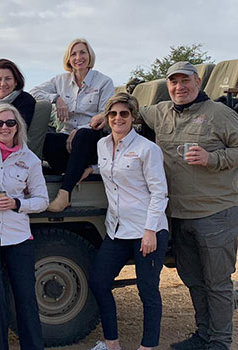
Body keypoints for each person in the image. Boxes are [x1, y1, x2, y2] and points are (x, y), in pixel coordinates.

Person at [92, 62, 238, 350]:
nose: (179, 87)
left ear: (198, 82)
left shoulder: (220, 114)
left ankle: (220, 342)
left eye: (185, 81)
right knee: (193, 279)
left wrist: (212, 158)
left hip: (215, 211)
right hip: (178, 213)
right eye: (174, 82)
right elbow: (125, 113)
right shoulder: (161, 111)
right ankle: (203, 335)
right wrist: (100, 117)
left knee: (217, 282)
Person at [85, 93, 169, 350]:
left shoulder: (147, 149)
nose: (118, 118)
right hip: (117, 230)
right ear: (108, 117)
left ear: (133, 117)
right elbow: (113, 169)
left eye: (124, 114)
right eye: (113, 114)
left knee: (147, 290)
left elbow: (159, 192)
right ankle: (112, 344)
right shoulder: (102, 146)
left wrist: (150, 230)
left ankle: (148, 346)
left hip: (148, 230)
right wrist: (92, 169)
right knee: (99, 282)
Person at [0, 104, 49, 350]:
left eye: (10, 123)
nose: (4, 127)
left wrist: (17, 203)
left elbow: (42, 201)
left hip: (18, 237)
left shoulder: (30, 160)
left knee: (26, 298)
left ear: (18, 127)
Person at [30, 38, 114, 212]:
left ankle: (65, 194)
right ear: (68, 59)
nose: (78, 57)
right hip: (68, 139)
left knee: (83, 136)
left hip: (92, 137)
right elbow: (33, 92)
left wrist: (80, 130)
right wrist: (56, 98)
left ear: (90, 55)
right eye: (73, 54)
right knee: (46, 140)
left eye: (82, 52)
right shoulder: (60, 80)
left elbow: (105, 117)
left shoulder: (104, 82)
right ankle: (74, 171)